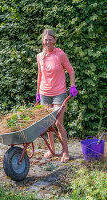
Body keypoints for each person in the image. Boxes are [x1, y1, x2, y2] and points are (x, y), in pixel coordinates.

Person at [36, 29, 78, 162]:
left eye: (50, 39)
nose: (47, 42)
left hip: (59, 93)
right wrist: (37, 93)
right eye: (45, 40)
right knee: (48, 124)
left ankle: (65, 151)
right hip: (44, 93)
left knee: (59, 123)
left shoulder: (60, 55)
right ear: (43, 41)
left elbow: (71, 71)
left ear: (54, 40)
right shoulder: (40, 56)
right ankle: (52, 150)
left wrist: (72, 86)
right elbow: (39, 76)